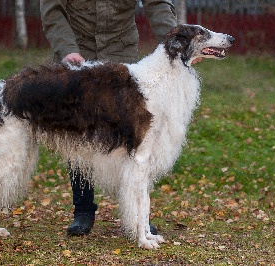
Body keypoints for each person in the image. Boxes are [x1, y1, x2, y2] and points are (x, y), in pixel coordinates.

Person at [40, 0, 177, 236]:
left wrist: (176, 42)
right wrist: (66, 48)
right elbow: (52, 10)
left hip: (120, 56)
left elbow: (158, 3)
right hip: (76, 55)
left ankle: (137, 215)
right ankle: (83, 211)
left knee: (132, 141)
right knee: (79, 135)